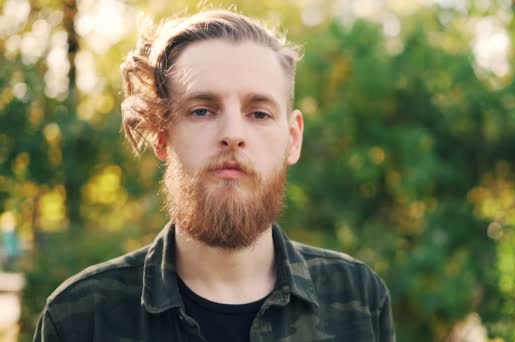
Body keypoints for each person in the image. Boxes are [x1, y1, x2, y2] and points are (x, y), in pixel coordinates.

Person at [34, 9, 395, 342]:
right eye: (203, 110)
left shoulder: (359, 299)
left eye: (259, 113)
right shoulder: (81, 319)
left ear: (293, 138)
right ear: (163, 136)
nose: (233, 133)